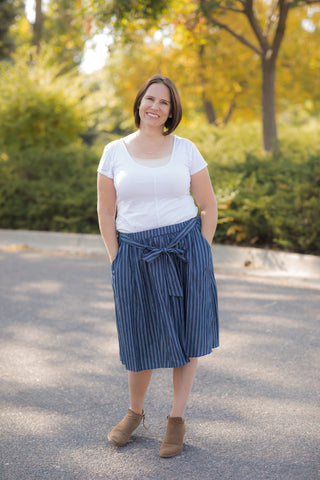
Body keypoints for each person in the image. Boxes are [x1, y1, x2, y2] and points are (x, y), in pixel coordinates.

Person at [97, 74, 219, 458]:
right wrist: (116, 257)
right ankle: (134, 413)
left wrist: (202, 248)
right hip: (134, 252)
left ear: (172, 111)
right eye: (150, 99)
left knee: (187, 335)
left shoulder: (186, 149)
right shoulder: (114, 151)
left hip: (185, 249)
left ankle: (176, 419)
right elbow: (105, 209)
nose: (155, 107)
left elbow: (208, 205)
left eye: (164, 102)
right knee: (139, 335)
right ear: (139, 103)